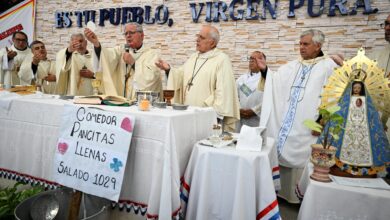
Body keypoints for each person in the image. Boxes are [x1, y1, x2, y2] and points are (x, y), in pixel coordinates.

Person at [259, 29, 338, 203]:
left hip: (309, 125)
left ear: (318, 46)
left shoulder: (328, 67)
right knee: (280, 149)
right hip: (288, 123)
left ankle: (299, 197)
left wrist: (321, 121)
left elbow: (333, 95)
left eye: (306, 44)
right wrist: (265, 71)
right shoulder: (293, 65)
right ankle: (280, 193)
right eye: (300, 44)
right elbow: (276, 81)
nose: (301, 48)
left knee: (304, 156)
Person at [156, 25, 240, 131]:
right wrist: (168, 70)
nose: (197, 40)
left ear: (212, 43)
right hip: (188, 113)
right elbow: (181, 76)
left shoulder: (221, 59)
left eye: (202, 37)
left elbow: (224, 90)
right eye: (198, 36)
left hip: (207, 115)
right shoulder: (194, 57)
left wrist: (217, 116)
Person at [84, 23, 162, 99]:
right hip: (121, 101)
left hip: (141, 104)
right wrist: (96, 43)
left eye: (131, 32)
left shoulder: (152, 55)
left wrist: (133, 63)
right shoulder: (120, 51)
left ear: (142, 35)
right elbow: (105, 57)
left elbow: (151, 78)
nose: (128, 35)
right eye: (126, 33)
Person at [235, 51, 270, 132]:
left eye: (255, 59)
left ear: (263, 61)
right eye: (250, 59)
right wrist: (239, 109)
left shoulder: (268, 80)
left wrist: (254, 111)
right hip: (241, 118)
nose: (251, 61)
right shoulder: (241, 79)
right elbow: (234, 97)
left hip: (257, 119)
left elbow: (269, 99)